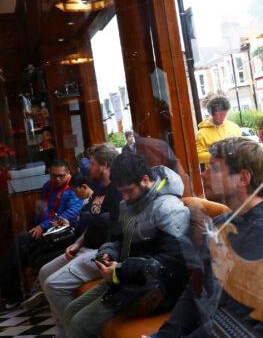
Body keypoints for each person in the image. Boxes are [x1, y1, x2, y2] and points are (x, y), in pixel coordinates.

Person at [152, 137, 263, 337]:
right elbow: (196, 290)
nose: (204, 174)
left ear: (243, 178)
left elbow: (233, 321)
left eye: (215, 169)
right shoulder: (220, 223)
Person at [62, 153, 190, 337]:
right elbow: (118, 239)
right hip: (126, 278)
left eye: (128, 191)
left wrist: (119, 271)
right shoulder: (128, 204)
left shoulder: (169, 208)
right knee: (69, 312)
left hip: (155, 290)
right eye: (121, 191)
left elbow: (171, 265)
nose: (124, 197)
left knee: (78, 324)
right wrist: (108, 254)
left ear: (145, 180)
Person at [36, 144, 122, 335]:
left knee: (53, 285)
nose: (87, 167)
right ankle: (64, 328)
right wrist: (77, 243)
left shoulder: (117, 191)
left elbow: (116, 230)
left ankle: (78, 331)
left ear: (105, 165)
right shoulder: (100, 190)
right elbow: (90, 223)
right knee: (44, 272)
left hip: (101, 252)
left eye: (91, 164)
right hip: (85, 247)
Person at [0, 159, 83, 309]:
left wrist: (42, 225)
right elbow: (42, 209)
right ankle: (13, 292)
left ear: (68, 174)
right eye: (53, 176)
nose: (56, 179)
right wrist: (38, 223)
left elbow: (71, 214)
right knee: (19, 249)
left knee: (23, 244)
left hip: (61, 233)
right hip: (44, 231)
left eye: (60, 176)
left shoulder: (73, 188)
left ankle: (14, 294)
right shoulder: (47, 187)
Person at [195, 93, 241, 169]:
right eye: (219, 115)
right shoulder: (202, 134)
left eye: (224, 114)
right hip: (215, 176)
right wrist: (218, 154)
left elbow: (241, 148)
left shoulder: (234, 127)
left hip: (235, 172)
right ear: (212, 113)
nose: (222, 118)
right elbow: (198, 157)